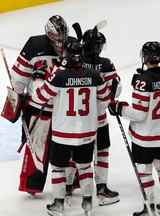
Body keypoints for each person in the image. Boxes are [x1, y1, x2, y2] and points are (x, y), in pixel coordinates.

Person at [33, 39, 109, 216]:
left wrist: (38, 78)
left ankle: (58, 205)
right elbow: (105, 98)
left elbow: (40, 97)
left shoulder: (58, 75)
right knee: (85, 167)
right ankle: (88, 204)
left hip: (62, 133)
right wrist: (92, 113)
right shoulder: (94, 75)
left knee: (58, 168)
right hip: (87, 132)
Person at [108, 41, 160, 216]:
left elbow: (139, 114)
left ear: (145, 57)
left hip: (144, 137)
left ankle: (150, 208)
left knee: (144, 170)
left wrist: (120, 108)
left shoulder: (142, 81)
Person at [1, 15, 69, 195]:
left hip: (64, 108)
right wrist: (17, 94)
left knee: (64, 147)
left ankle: (53, 184)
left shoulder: (70, 44)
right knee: (46, 145)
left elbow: (17, 79)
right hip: (44, 108)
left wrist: (18, 90)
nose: (60, 42)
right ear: (48, 34)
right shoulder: (35, 45)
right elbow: (18, 78)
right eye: (57, 37)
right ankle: (35, 184)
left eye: (63, 37)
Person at [81, 26, 121, 206]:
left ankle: (70, 188)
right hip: (99, 119)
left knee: (78, 155)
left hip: (78, 121)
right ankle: (102, 189)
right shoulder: (105, 64)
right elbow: (116, 88)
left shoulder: (75, 61)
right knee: (102, 152)